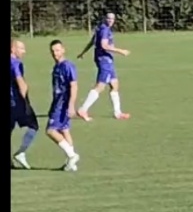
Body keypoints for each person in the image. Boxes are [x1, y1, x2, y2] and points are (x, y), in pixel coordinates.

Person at [74, 13, 130, 121]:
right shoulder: (104, 30)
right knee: (100, 86)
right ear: (105, 18)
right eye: (108, 18)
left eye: (112, 19)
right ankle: (83, 109)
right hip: (104, 61)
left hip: (108, 61)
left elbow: (92, 42)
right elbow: (104, 46)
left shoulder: (101, 28)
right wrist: (120, 51)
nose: (110, 20)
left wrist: (83, 52)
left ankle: (118, 113)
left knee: (115, 85)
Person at [44, 40, 84, 171]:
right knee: (64, 130)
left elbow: (74, 86)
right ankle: (71, 164)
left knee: (50, 131)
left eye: (57, 50)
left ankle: (72, 155)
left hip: (63, 103)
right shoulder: (57, 67)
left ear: (63, 50)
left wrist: (71, 105)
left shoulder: (68, 66)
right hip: (57, 102)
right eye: (53, 51)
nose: (55, 53)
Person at [11, 40, 37, 169]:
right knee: (33, 125)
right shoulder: (15, 63)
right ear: (13, 49)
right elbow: (21, 83)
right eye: (21, 48)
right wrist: (26, 103)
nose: (24, 51)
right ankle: (21, 153)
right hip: (16, 102)